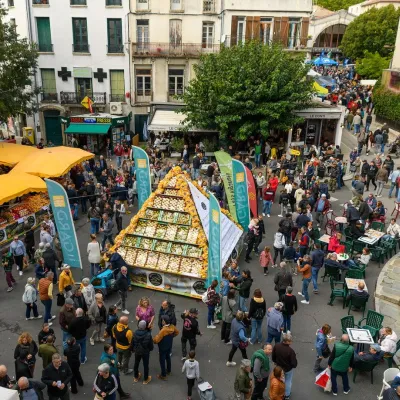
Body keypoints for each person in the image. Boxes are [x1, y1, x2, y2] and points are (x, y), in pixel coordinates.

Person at [272, 332, 297, 400]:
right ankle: (287, 395)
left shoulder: (276, 346)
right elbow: (294, 363)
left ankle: (280, 393)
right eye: (290, 341)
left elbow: (273, 356)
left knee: (279, 380)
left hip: (279, 368)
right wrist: (292, 366)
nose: (291, 342)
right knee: (288, 381)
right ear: (287, 341)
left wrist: (275, 362)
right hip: (288, 369)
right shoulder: (290, 351)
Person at [153, 315, 179, 380]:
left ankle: (163, 375)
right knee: (168, 357)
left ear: (164, 322)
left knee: (162, 361)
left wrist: (154, 338)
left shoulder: (163, 330)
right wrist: (171, 337)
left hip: (162, 347)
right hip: (169, 345)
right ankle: (169, 371)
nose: (161, 321)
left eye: (162, 320)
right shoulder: (172, 327)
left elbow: (157, 340)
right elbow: (177, 332)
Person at [132, 320, 154, 385]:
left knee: (136, 363)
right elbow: (150, 345)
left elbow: (132, 342)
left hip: (137, 351)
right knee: (145, 365)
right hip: (145, 352)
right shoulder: (148, 334)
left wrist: (133, 349)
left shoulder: (135, 333)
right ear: (145, 327)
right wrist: (150, 349)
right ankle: (145, 379)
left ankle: (136, 377)